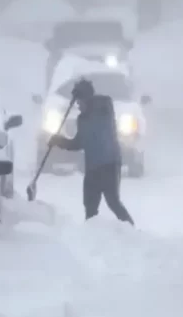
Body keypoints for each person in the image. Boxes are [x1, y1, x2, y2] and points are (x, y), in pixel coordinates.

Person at [49, 78, 135, 225]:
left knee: (113, 202)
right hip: (93, 167)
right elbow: (78, 143)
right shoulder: (82, 119)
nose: (77, 105)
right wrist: (59, 141)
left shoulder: (104, 109)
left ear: (87, 98)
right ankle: (91, 237)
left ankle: (131, 230)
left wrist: (86, 100)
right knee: (89, 206)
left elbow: (100, 119)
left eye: (79, 101)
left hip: (109, 164)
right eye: (76, 102)